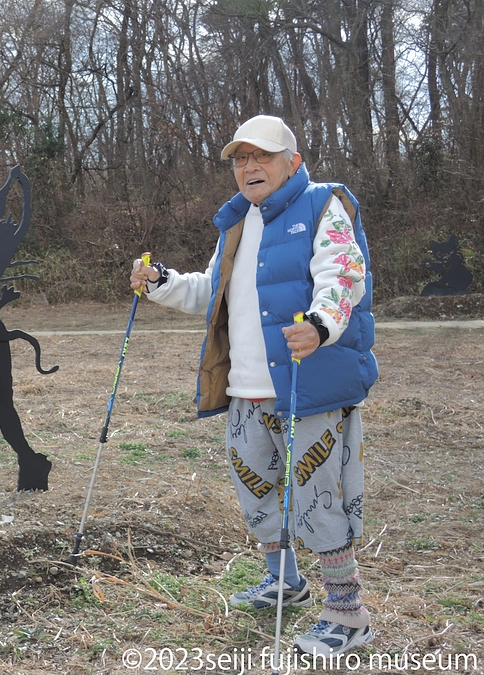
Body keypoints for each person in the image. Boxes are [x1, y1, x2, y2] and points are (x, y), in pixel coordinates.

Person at [130, 115, 377, 658]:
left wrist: (319, 325)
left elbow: (345, 275)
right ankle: (284, 579)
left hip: (309, 383)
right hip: (246, 387)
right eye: (240, 159)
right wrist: (161, 282)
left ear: (291, 160)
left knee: (317, 498)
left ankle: (347, 610)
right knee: (255, 488)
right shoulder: (238, 221)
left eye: (260, 156)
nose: (248, 167)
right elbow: (211, 292)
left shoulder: (322, 203)